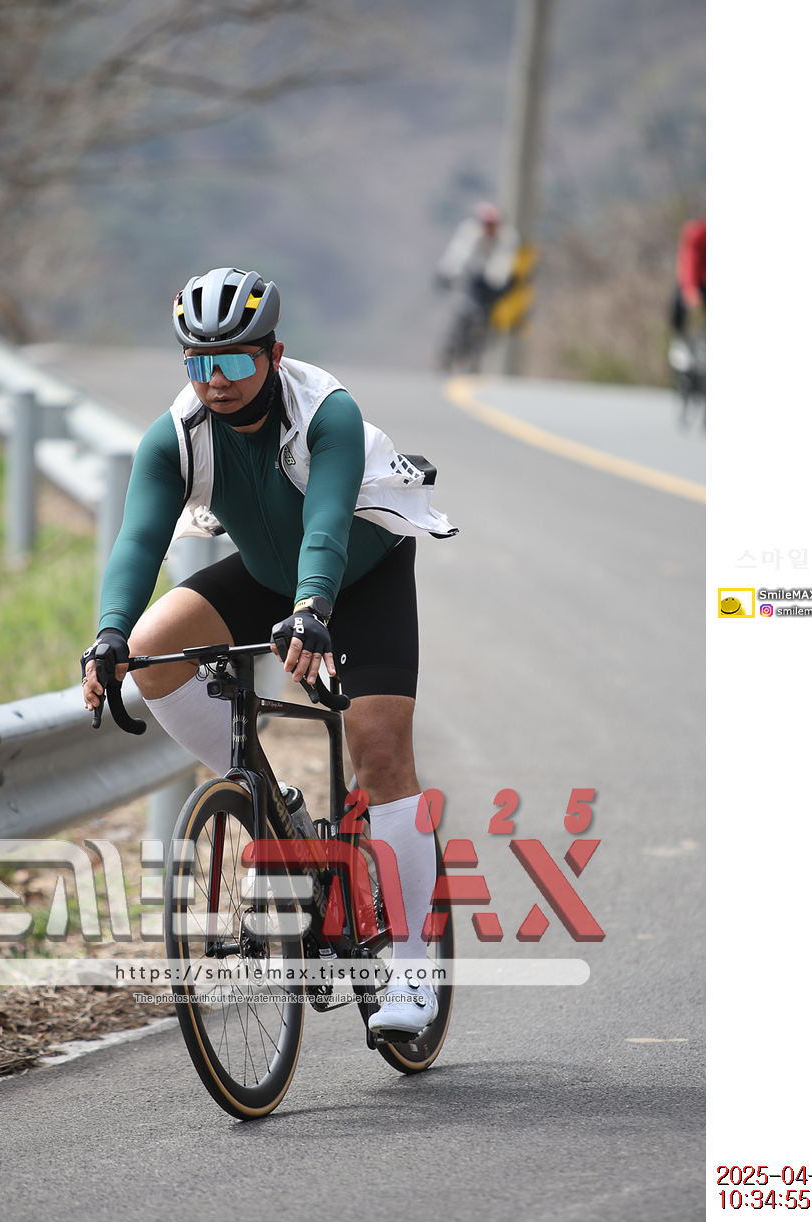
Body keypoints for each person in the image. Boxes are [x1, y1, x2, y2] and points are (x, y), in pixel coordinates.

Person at [81, 266, 457, 1039]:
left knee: (379, 751)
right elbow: (140, 539)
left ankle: (414, 972)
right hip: (265, 575)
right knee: (153, 644)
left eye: (232, 361)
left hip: (360, 574)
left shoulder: (327, 411)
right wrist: (110, 633)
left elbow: (326, 521)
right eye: (198, 362)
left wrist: (313, 609)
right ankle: (269, 797)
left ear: (274, 354)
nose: (214, 381)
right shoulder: (176, 435)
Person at [434, 201, 521, 371]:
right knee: (462, 310)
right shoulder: (469, 232)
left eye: (493, 225)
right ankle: (448, 351)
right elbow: (458, 253)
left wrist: (497, 283)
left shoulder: (508, 238)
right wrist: (446, 272)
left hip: (494, 281)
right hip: (472, 274)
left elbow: (503, 263)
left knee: (487, 319)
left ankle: (476, 358)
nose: (489, 229)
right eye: (486, 224)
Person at [669, 215, 705, 338]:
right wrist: (691, 288)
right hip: (698, 284)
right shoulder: (698, 234)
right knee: (680, 301)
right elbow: (690, 264)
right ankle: (679, 339)